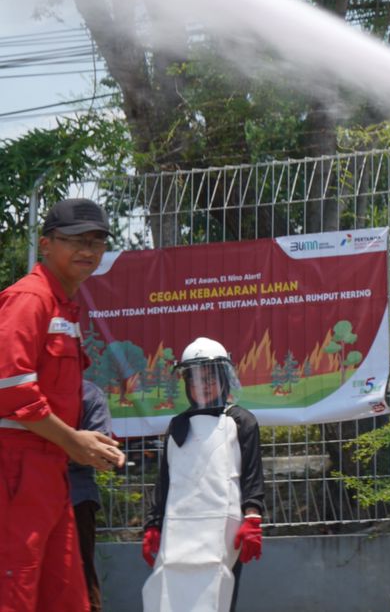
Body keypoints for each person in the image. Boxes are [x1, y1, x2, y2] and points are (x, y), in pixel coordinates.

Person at [0, 197, 125, 612]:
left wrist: (76, 440)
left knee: (66, 596)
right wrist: (74, 442)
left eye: (97, 241)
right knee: (15, 590)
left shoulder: (65, 307)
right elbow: (10, 390)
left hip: (51, 469)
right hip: (17, 467)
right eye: (75, 240)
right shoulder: (29, 300)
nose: (88, 250)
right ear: (45, 244)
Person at [142, 338, 264, 612]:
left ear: (224, 379)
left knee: (218, 597)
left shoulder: (241, 421)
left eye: (210, 377)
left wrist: (253, 518)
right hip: (179, 528)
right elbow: (165, 480)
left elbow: (252, 476)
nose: (203, 385)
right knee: (173, 598)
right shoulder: (177, 426)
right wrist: (153, 524)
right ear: (186, 384)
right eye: (195, 379)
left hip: (224, 528)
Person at [69, 380, 114, 612]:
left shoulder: (89, 394)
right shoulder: (29, 392)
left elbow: (98, 451)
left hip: (74, 498)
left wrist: (46, 448)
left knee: (79, 573)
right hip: (26, 494)